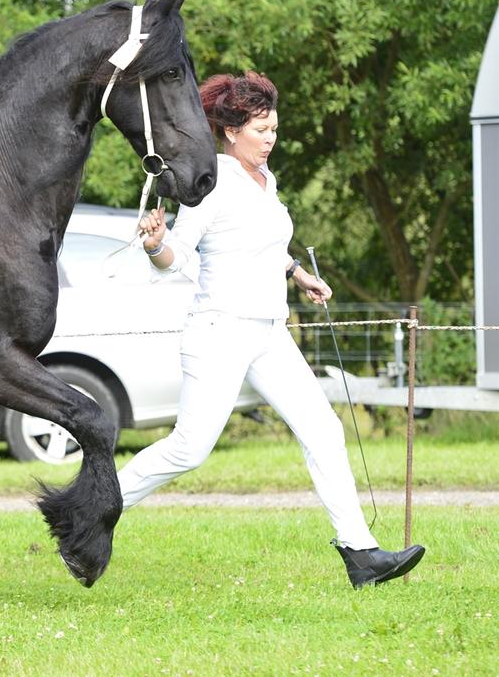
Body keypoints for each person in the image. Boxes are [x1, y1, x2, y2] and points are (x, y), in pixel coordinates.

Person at [122, 71, 426, 588]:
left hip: (268, 332)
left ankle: (361, 554)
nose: (270, 140)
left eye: (275, 130)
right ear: (230, 131)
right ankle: (94, 506)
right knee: (189, 449)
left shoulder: (266, 180)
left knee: (324, 430)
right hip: (220, 330)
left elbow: (262, 242)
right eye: (261, 130)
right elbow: (175, 259)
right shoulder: (211, 182)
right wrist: (155, 243)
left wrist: (299, 273)